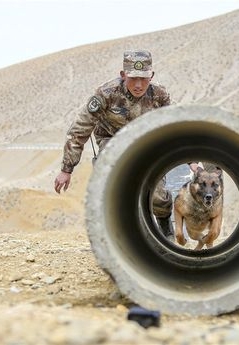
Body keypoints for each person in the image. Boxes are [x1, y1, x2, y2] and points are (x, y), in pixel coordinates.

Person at [54, 49, 174, 238]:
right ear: (123, 75)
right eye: (133, 78)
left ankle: (165, 224)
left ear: (151, 76)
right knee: (112, 188)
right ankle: (114, 236)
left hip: (145, 144)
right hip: (112, 142)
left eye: (143, 78)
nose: (138, 84)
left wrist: (188, 157)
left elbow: (172, 127)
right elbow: (79, 130)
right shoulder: (106, 94)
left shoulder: (159, 95)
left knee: (157, 195)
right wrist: (66, 169)